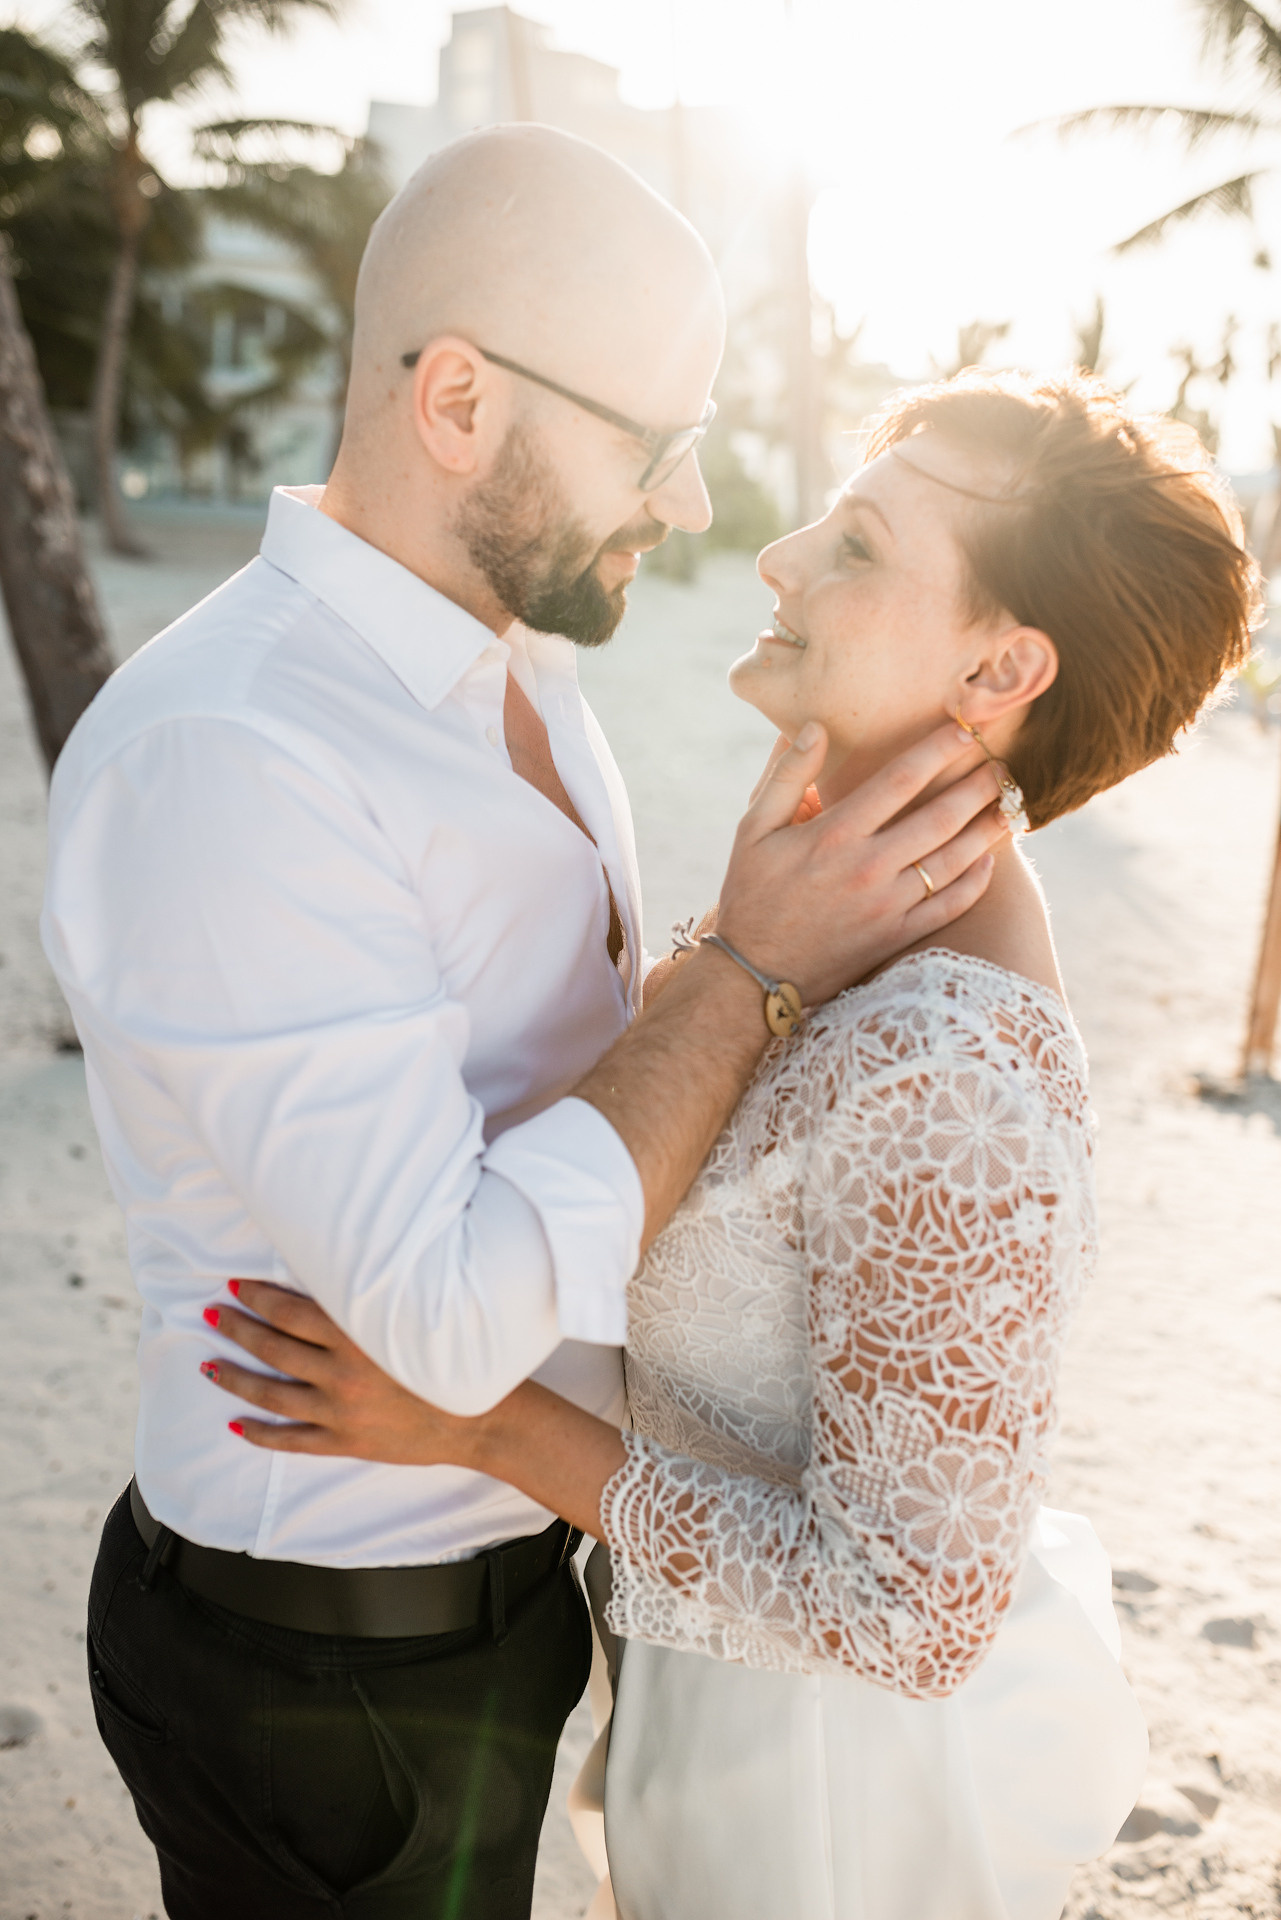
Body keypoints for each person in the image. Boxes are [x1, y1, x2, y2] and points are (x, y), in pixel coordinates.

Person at [39, 127, 1002, 1920]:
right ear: (461, 403)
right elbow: (452, 1318)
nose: (697, 508)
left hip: (492, 1617)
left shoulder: (520, 664)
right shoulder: (238, 756)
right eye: (656, 444)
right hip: (326, 1682)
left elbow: (557, 1068)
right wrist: (745, 974)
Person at [202, 368, 1259, 1920]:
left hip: (834, 1808)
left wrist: (475, 1424)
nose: (779, 555)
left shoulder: (947, 1072)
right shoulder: (832, 914)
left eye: (858, 544)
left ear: (998, 665)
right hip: (721, 1721)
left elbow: (912, 1615)